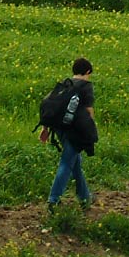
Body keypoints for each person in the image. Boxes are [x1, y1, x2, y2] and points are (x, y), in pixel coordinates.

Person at [41, 58, 100, 207]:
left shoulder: (65, 84)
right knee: (67, 163)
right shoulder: (85, 86)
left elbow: (51, 106)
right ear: (87, 72)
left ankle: (85, 198)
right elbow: (89, 111)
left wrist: (45, 129)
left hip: (60, 128)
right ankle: (53, 200)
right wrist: (91, 131)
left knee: (75, 163)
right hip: (75, 131)